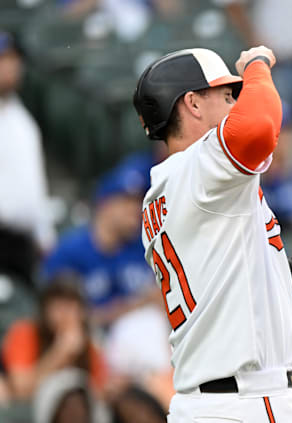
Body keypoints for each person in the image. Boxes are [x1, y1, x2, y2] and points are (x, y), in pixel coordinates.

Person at [132, 47, 292, 422]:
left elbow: (226, 271)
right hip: (246, 400)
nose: (233, 104)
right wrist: (257, 65)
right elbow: (259, 127)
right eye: (225, 96)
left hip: (214, 401)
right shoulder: (200, 166)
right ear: (192, 103)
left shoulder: (163, 191)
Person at [43, 158, 159, 330]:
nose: (135, 210)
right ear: (104, 204)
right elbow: (55, 318)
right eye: (126, 201)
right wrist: (130, 307)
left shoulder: (144, 248)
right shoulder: (68, 252)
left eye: (138, 202)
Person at [1, 278, 108, 402]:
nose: (64, 314)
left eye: (70, 306)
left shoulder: (88, 343)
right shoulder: (26, 332)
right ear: (45, 310)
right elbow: (22, 389)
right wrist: (60, 353)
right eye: (57, 306)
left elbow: (99, 395)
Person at [0, 31, 55, 252]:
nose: (13, 66)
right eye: (5, 59)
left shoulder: (23, 121)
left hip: (20, 242)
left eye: (15, 60)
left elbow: (34, 183)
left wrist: (45, 234)